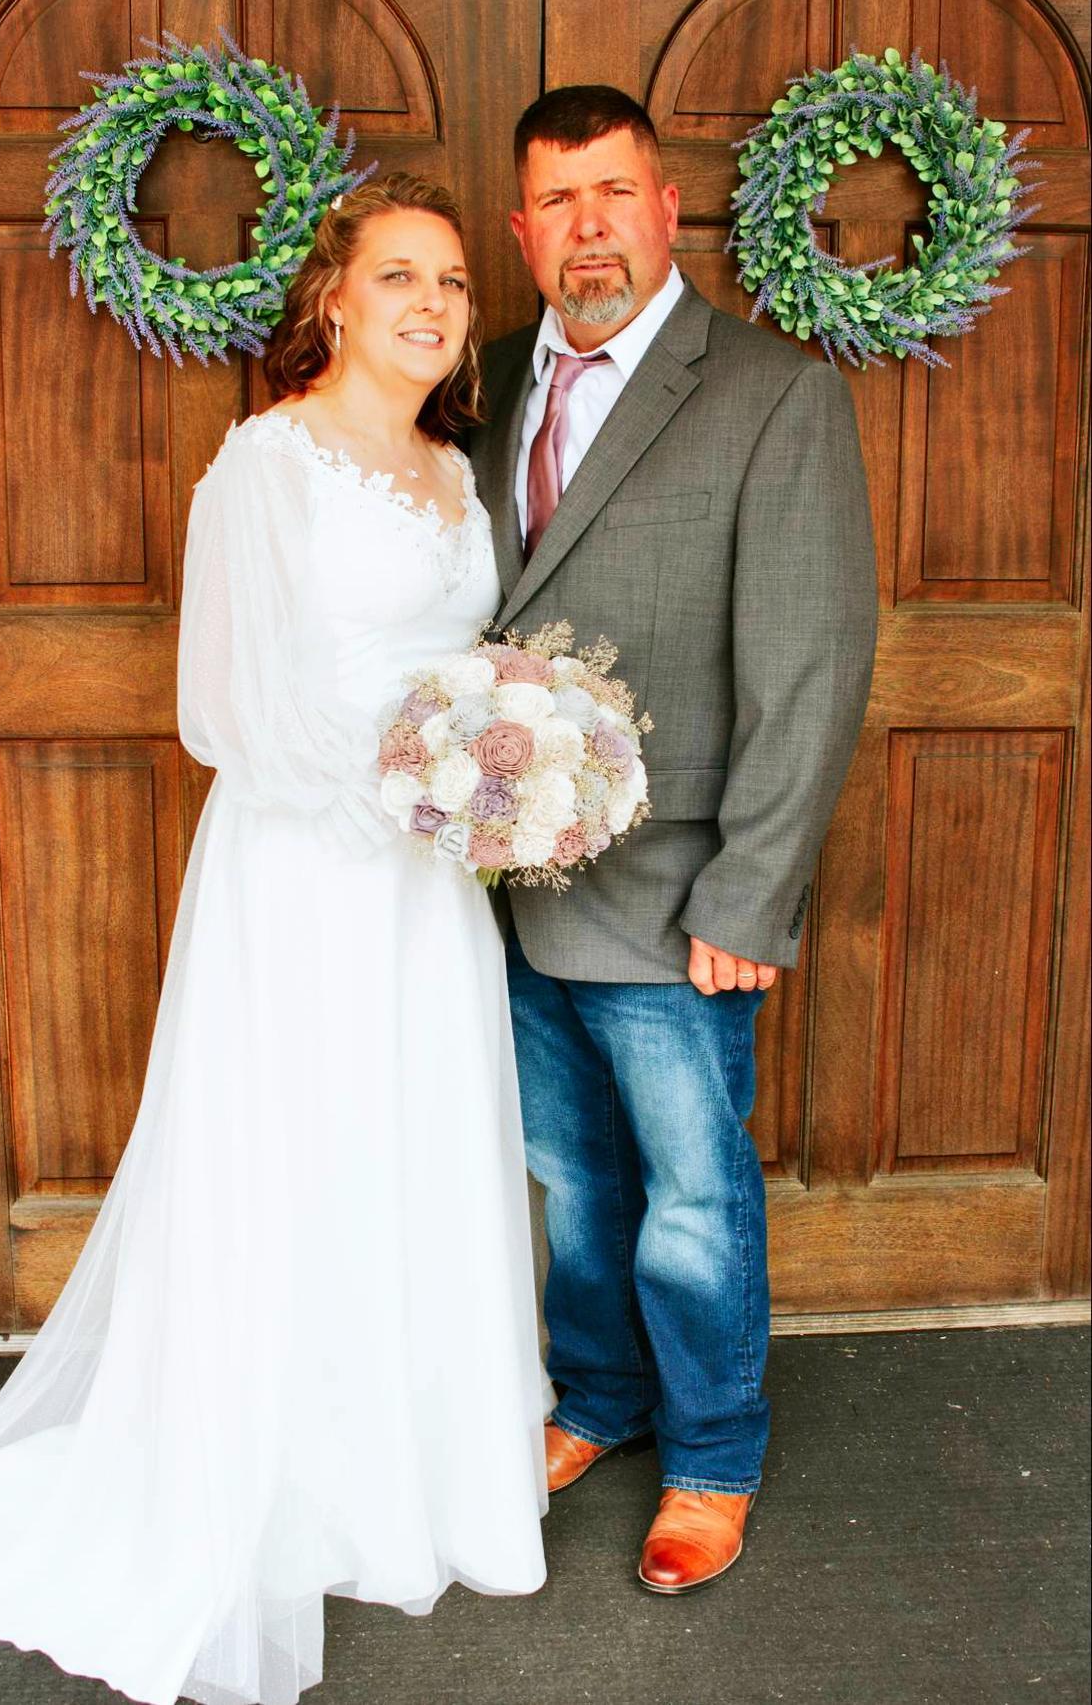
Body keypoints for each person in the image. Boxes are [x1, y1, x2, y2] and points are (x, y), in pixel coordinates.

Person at [0, 174, 547, 1705]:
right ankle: (272, 1473)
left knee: (412, 1148)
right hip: (311, 869)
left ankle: (407, 1468)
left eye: (454, 282)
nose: (434, 305)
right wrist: (402, 790)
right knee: (300, 1148)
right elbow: (228, 706)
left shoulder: (460, 472)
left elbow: (468, 660)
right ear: (333, 298)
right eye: (401, 275)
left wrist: (502, 769)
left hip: (430, 888)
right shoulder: (266, 464)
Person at [470, 86, 878, 1591]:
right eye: (559, 202)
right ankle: (601, 1400)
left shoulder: (773, 390)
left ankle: (712, 1458)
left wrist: (753, 894)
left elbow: (811, 662)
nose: (590, 228)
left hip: (680, 893)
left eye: (615, 193)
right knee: (573, 1184)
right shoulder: (493, 375)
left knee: (695, 1197)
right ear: (523, 231)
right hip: (509, 887)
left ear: (667, 209)